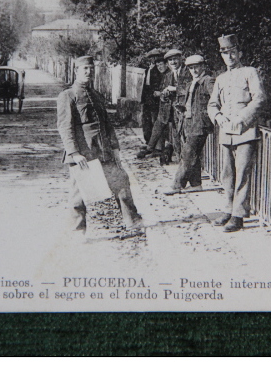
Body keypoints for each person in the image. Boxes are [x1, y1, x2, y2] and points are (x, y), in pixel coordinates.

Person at [57, 56, 143, 234]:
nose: (89, 72)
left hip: (104, 149)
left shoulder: (96, 95)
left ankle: (132, 221)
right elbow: (65, 127)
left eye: (91, 69)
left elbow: (107, 124)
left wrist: (115, 147)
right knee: (79, 193)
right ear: (76, 72)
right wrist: (74, 153)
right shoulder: (67, 96)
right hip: (84, 152)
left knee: (121, 182)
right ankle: (77, 231)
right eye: (85, 69)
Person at [207, 35, 265, 232]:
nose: (229, 56)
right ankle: (228, 209)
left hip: (245, 131)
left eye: (232, 52)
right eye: (225, 53)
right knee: (227, 174)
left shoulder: (250, 72)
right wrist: (218, 117)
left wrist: (242, 118)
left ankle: (238, 215)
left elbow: (259, 98)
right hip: (226, 133)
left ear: (239, 53)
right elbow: (212, 104)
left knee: (242, 174)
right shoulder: (221, 79)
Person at [164, 55, 215, 195]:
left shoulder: (207, 80)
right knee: (194, 153)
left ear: (203, 66)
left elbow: (215, 99)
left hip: (200, 123)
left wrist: (207, 114)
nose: (194, 70)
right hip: (188, 122)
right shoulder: (193, 82)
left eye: (197, 67)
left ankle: (177, 185)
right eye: (191, 68)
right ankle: (196, 183)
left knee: (187, 154)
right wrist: (182, 107)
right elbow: (192, 101)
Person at [136, 49, 189, 164]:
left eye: (175, 59)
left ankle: (180, 159)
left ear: (180, 59)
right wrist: (163, 95)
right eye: (170, 60)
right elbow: (162, 89)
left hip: (182, 110)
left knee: (179, 135)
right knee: (167, 130)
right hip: (168, 109)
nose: (173, 62)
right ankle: (154, 149)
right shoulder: (168, 75)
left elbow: (190, 89)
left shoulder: (188, 72)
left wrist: (174, 89)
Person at [140, 49, 167, 146]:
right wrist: (143, 100)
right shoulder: (148, 69)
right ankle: (149, 143)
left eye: (156, 57)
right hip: (147, 100)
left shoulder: (160, 69)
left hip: (155, 100)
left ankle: (157, 146)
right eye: (152, 57)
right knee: (146, 122)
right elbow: (145, 86)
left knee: (156, 122)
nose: (154, 59)